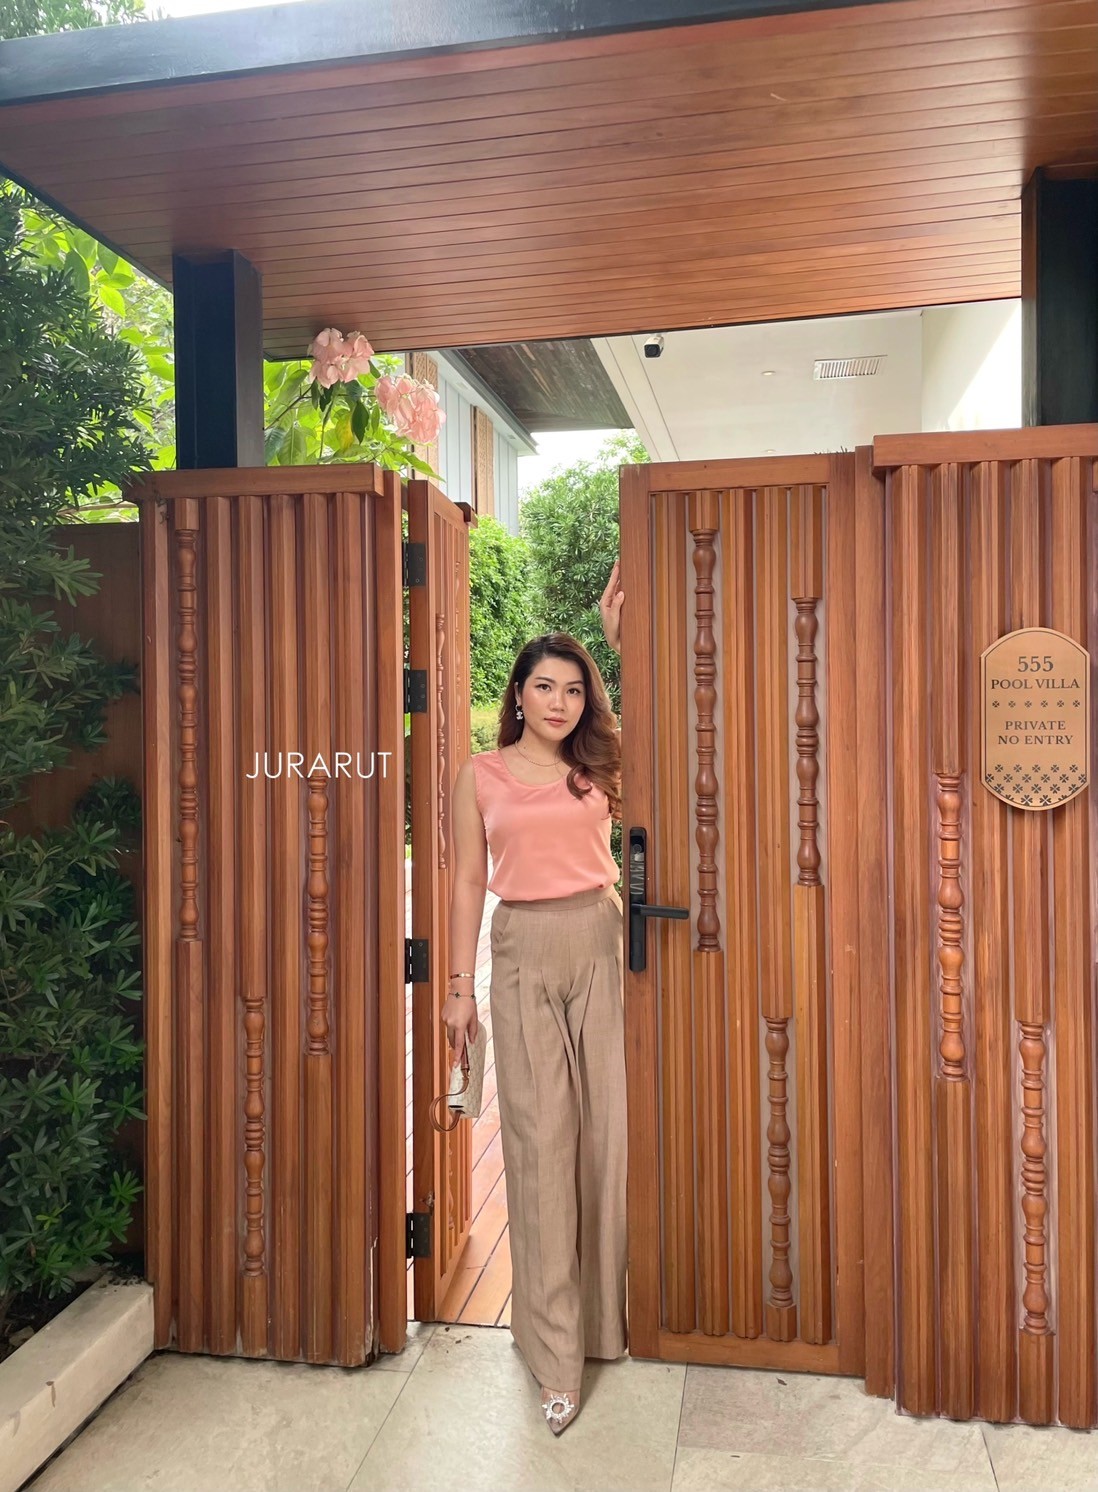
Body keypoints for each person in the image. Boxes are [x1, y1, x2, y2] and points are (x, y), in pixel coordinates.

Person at [443, 561, 626, 1436]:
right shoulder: (479, 774)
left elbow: (670, 736)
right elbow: (464, 880)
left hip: (601, 942)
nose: (560, 702)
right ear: (517, 694)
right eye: (545, 687)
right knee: (540, 1147)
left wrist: (619, 643)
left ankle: (605, 1327)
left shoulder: (601, 764)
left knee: (609, 1143)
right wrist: (457, 989)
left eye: (574, 689)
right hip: (519, 952)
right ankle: (554, 1354)